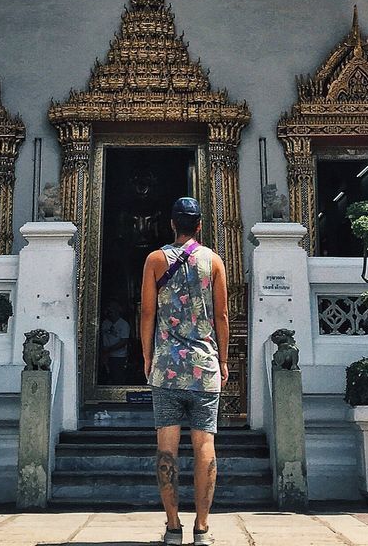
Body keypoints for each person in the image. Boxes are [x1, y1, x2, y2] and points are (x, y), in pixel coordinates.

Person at [140, 196, 229, 546]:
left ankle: (173, 526)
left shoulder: (156, 260)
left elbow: (147, 313)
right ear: (200, 226)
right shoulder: (214, 261)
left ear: (173, 225)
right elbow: (222, 316)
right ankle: (203, 528)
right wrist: (222, 360)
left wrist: (147, 356)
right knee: (205, 444)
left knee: (167, 448)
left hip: (166, 367)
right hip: (205, 367)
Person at [99, 298, 131, 384]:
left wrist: (109, 349)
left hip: (118, 356)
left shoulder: (124, 324)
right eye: (108, 309)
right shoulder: (105, 323)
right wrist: (103, 351)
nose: (109, 311)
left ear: (117, 310)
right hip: (105, 355)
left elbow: (124, 341)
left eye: (112, 308)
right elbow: (101, 337)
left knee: (117, 377)